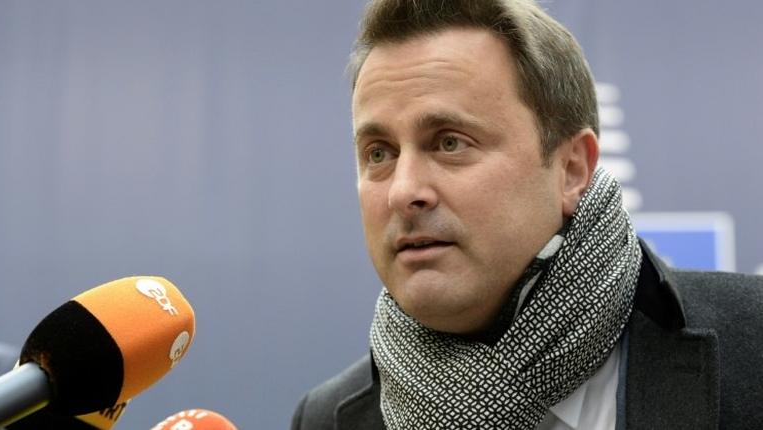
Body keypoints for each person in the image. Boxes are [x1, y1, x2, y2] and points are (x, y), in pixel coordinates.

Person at [291, 1, 763, 429]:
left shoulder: (754, 347)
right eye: (379, 153)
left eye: (450, 142)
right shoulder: (327, 419)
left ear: (571, 169)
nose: (404, 191)